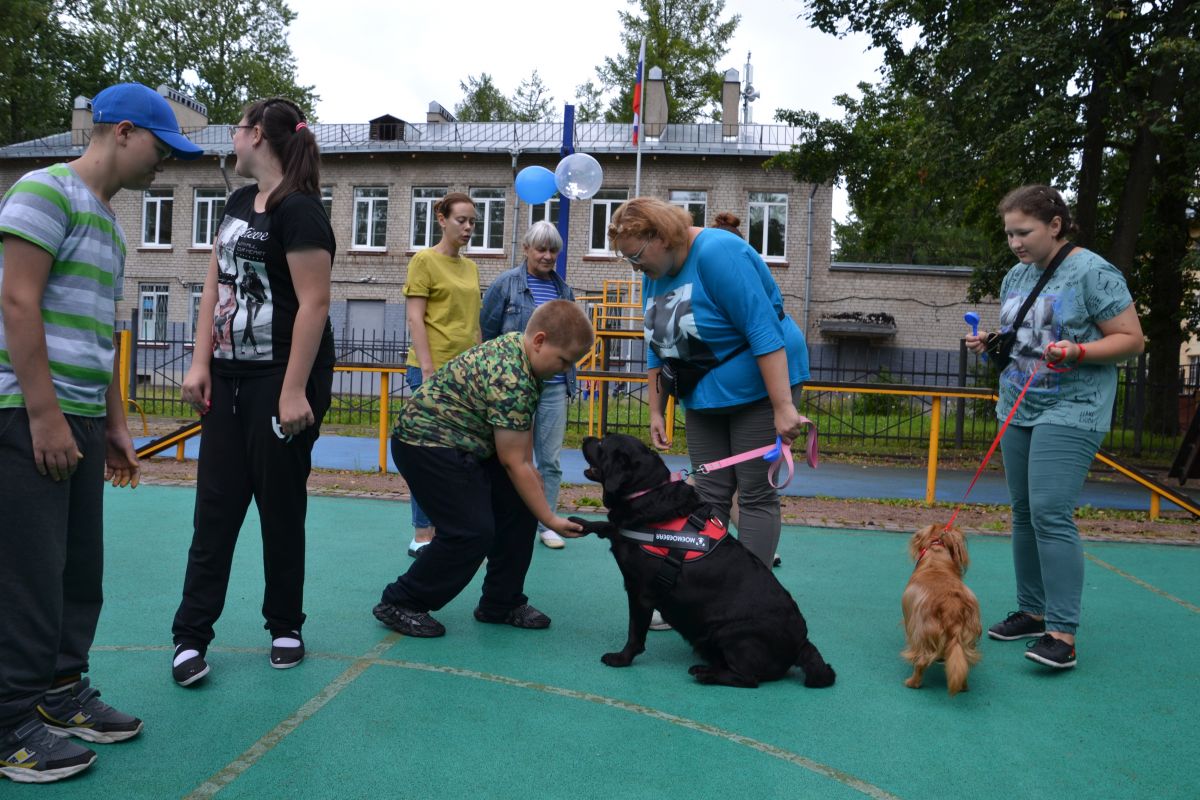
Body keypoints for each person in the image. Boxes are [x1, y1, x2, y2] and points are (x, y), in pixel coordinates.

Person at [0, 82, 201, 783]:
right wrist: (44, 413)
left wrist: (114, 424)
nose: (164, 163)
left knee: (78, 568)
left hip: (80, 418)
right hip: (28, 412)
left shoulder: (111, 226)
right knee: (28, 570)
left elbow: (99, 335)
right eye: (160, 147)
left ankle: (59, 691)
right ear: (121, 132)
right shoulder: (43, 190)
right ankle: (9, 721)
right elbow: (17, 300)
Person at [171, 97, 335, 687]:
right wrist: (200, 362)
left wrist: (292, 391)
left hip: (278, 380)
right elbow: (215, 282)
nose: (232, 139)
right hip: (228, 375)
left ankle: (285, 624)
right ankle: (190, 636)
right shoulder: (239, 202)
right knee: (214, 511)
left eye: (237, 129)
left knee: (280, 509)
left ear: (258, 135)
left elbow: (315, 304)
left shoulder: (302, 211)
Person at [965, 184, 1144, 670]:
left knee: (1050, 512)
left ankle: (1062, 634)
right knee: (1024, 512)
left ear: (1056, 225)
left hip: (1072, 408)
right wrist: (991, 341)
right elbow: (1025, 335)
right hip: (1017, 405)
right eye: (1009, 234)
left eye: (1024, 232)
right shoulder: (1016, 276)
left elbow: (1132, 340)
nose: (1015, 242)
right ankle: (1032, 611)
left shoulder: (1093, 272)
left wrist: (1078, 351)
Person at [608, 197, 811, 571]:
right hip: (703, 394)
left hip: (758, 391)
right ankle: (706, 588)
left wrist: (783, 406)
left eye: (635, 256)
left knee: (754, 494)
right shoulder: (654, 274)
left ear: (661, 237)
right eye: (627, 259)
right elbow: (657, 342)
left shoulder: (718, 252)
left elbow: (762, 328)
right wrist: (656, 410)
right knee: (708, 491)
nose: (635, 267)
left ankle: (750, 594)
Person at [373, 300, 593, 638]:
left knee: (520, 505)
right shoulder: (512, 376)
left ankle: (501, 603)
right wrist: (550, 519)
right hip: (426, 443)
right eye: (564, 360)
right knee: (471, 531)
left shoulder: (523, 354)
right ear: (540, 340)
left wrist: (534, 493)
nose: (565, 370)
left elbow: (521, 448)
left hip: (466, 441)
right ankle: (401, 601)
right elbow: (513, 461)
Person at [480, 221, 579, 549]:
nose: (547, 256)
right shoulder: (506, 285)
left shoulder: (564, 291)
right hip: (513, 390)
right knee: (510, 458)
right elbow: (487, 335)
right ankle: (505, 518)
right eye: (541, 249)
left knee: (549, 460)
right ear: (526, 249)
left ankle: (546, 522)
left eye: (553, 251)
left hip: (553, 387)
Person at [402, 192, 481, 557]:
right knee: (427, 455)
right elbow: (415, 318)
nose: (468, 227)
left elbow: (474, 324)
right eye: (461, 220)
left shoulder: (471, 268)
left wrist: (479, 366)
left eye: (472, 222)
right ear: (442, 219)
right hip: (430, 372)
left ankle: (450, 527)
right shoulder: (424, 260)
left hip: (466, 375)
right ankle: (422, 532)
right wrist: (428, 370)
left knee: (460, 456)